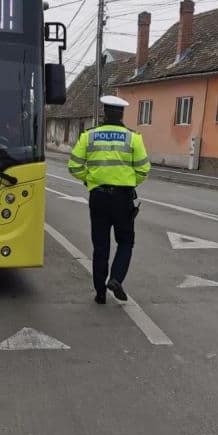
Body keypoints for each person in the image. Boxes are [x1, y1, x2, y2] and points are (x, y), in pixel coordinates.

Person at [67, 95, 151, 304]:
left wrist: (90, 181)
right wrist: (130, 183)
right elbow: (143, 169)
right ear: (122, 114)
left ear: (105, 112)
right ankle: (116, 278)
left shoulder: (89, 136)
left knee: (100, 246)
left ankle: (100, 293)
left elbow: (74, 166)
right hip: (123, 199)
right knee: (125, 241)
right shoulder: (134, 138)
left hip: (99, 197)